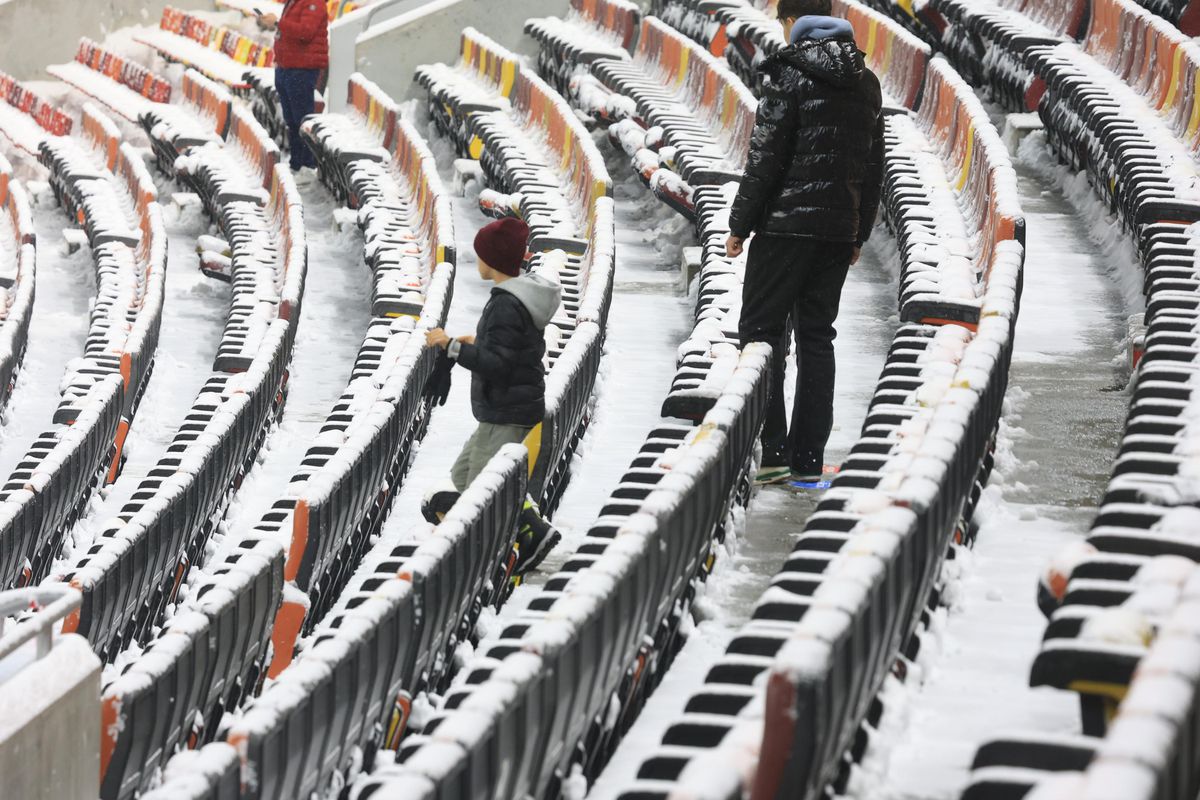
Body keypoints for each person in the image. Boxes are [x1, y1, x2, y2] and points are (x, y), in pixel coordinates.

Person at [724, 0, 884, 485]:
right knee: (817, 337)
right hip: (836, 231)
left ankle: (771, 451)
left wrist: (739, 224)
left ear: (793, 22)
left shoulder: (787, 73)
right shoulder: (866, 81)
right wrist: (858, 232)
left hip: (783, 228)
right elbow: (873, 168)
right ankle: (808, 460)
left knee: (761, 332)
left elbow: (765, 158)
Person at [425, 217, 564, 576]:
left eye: (481, 254)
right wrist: (474, 341)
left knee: (481, 489)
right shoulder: (513, 299)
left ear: (494, 260)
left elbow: (499, 365)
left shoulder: (506, 304)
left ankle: (530, 535)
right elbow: (512, 348)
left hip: (507, 409)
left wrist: (452, 347)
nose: (478, 260)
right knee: (462, 476)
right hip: (504, 407)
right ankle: (519, 526)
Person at [257, 1, 328, 177]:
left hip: (301, 68)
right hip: (286, 66)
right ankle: (296, 164)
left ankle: (306, 166)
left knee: (301, 120)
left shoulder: (314, 2)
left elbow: (306, 31)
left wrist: (277, 22)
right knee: (291, 120)